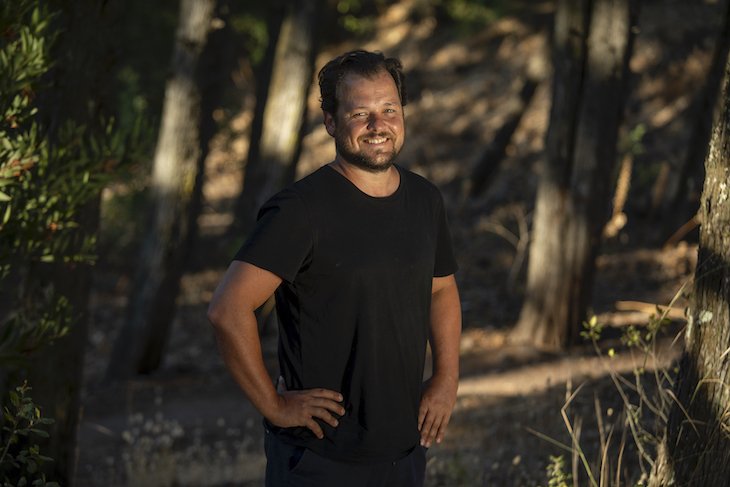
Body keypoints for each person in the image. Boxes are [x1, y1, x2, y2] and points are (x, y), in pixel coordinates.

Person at [207, 49, 462, 487]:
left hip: (404, 451)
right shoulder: (300, 211)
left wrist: (445, 378)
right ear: (330, 122)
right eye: (360, 113)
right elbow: (227, 310)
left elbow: (441, 291)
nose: (377, 125)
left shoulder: (425, 201)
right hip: (320, 457)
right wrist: (275, 405)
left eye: (388, 110)